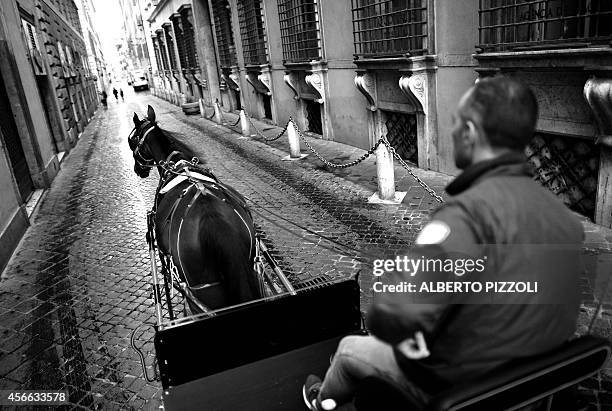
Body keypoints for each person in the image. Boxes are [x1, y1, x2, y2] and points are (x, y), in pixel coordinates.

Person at [303, 76, 583, 410]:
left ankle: (320, 405)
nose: (451, 134)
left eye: (456, 125)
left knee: (350, 349)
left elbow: (393, 316)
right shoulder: (565, 222)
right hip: (530, 388)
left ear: (471, 132)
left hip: (461, 388)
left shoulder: (465, 216)